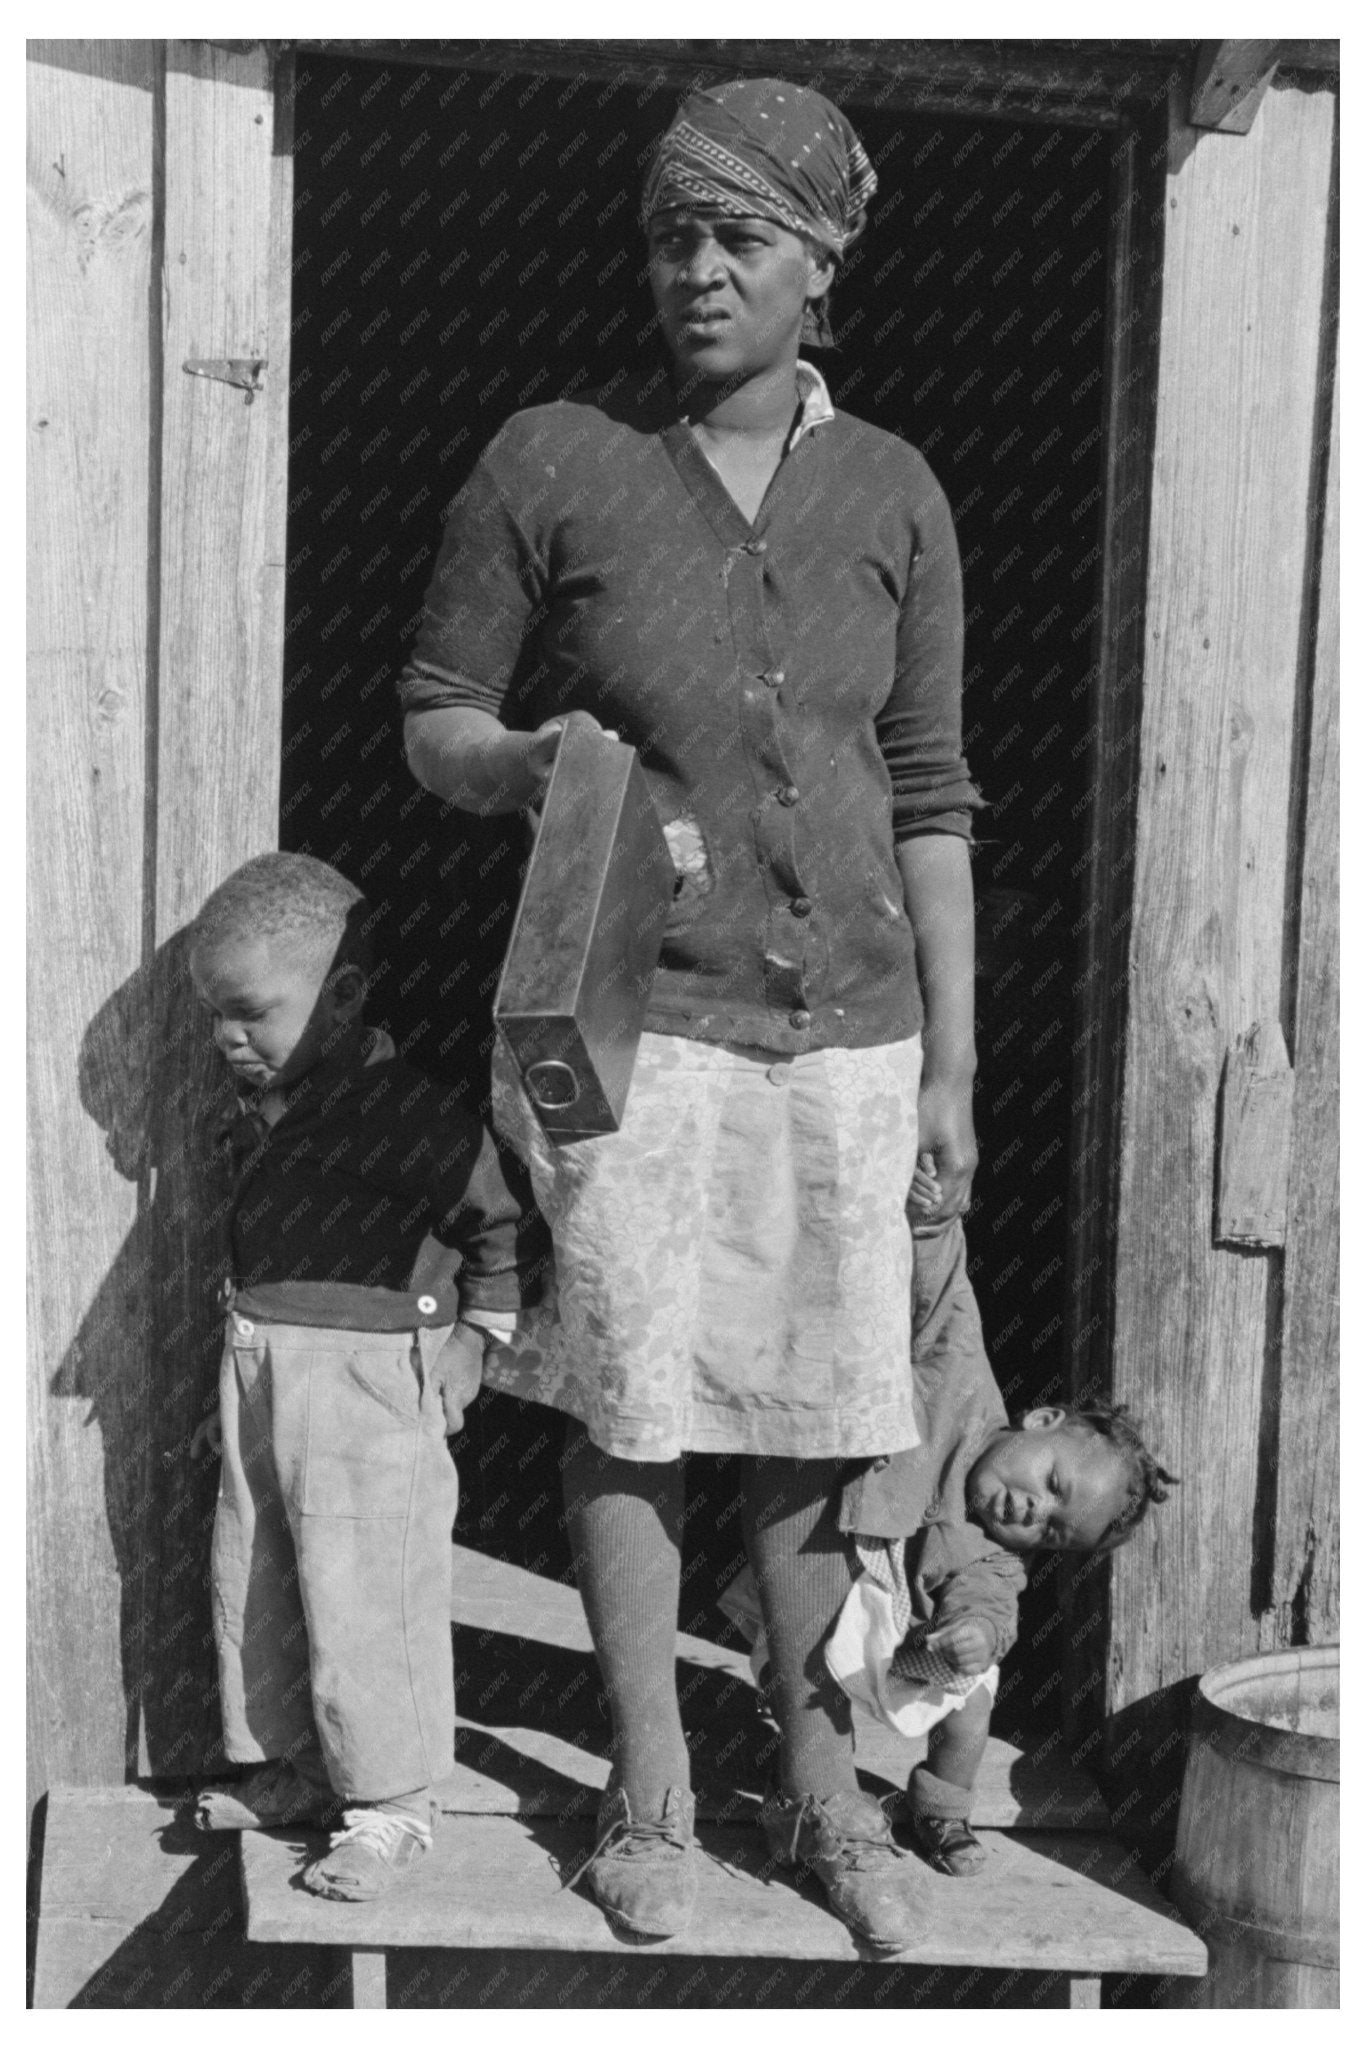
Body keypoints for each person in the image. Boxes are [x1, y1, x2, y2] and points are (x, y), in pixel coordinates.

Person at [400, 77, 981, 1950]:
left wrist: (957, 1065)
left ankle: (822, 1795)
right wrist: (533, 761)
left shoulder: (893, 487)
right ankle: (647, 1798)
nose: (700, 271)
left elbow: (930, 792)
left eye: (741, 237)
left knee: (822, 1417)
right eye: (673, 235)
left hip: (857, 1037)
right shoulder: (553, 458)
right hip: (632, 1020)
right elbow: (433, 716)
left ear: (825, 262)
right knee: (634, 1402)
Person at [187, 852, 548, 1901]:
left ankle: (391, 1803)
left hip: (369, 1383)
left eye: (250, 1013)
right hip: (258, 1367)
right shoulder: (254, 1109)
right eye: (215, 1016)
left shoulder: (412, 1114)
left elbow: (498, 1230)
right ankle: (300, 1769)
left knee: (367, 1592)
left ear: (344, 995)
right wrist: (236, 1399)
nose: (227, 1038)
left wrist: (478, 1341)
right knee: (253, 1581)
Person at [824, 1210, 1178, 1877]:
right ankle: (812, 1772)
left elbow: (991, 1608)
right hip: (830, 1583)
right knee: (794, 1666)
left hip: (907, 1639)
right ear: (1040, 1420)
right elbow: (945, 1295)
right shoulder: (963, 1383)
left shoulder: (993, 1555)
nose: (1030, 1509)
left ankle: (941, 1807)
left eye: (1050, 1529)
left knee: (975, 1697)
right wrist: (932, 1217)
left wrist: (975, 1638)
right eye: (1050, 1483)